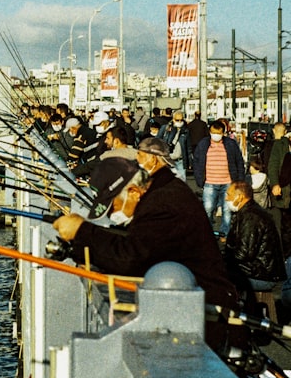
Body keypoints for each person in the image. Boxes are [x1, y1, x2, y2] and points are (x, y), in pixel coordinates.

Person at [53, 143, 240, 351]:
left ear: (133, 192)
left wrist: (83, 232)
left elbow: (132, 257)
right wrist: (82, 244)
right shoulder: (162, 192)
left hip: (206, 315)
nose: (110, 214)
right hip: (192, 308)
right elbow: (136, 241)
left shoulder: (161, 204)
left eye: (112, 205)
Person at [223, 180, 286, 299]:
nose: (226, 199)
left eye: (229, 195)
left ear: (240, 197)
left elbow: (244, 253)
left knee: (216, 276)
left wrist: (222, 257)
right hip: (263, 271)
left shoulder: (251, 217)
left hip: (263, 275)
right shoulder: (249, 211)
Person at [193, 120, 246, 238]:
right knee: (208, 209)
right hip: (209, 183)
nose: (215, 135)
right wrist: (199, 179)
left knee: (227, 211)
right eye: (213, 132)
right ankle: (208, 234)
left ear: (223, 133)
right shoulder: (203, 144)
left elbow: (239, 162)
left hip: (228, 183)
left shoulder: (231, 144)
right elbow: (196, 161)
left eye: (218, 133)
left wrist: (239, 181)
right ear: (210, 132)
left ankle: (224, 235)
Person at [158, 110, 190, 179]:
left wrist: (189, 162)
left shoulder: (185, 130)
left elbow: (188, 146)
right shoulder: (166, 128)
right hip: (167, 160)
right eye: (177, 120)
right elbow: (157, 141)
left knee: (182, 183)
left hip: (180, 160)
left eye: (181, 120)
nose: (179, 122)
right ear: (173, 119)